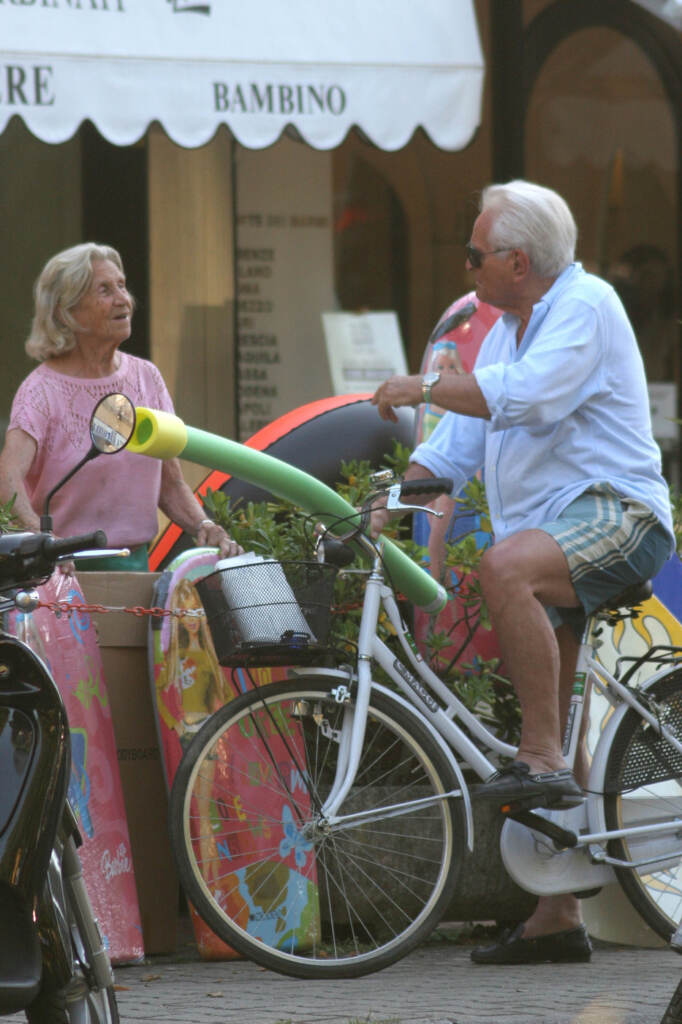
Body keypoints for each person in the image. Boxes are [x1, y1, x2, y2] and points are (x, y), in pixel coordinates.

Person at [371, 180, 675, 964]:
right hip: (561, 533)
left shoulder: (586, 305)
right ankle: (557, 916)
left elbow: (530, 400)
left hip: (619, 514)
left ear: (516, 259)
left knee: (505, 571)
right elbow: (461, 443)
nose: (466, 267)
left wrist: (422, 385)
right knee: (559, 722)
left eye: (474, 255)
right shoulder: (506, 328)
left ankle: (537, 761)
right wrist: (399, 496)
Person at [0, 242, 241, 568]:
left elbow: (170, 484)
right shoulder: (41, 391)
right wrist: (39, 540)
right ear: (65, 312)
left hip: (134, 567)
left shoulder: (147, 379)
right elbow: (7, 479)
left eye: (122, 286)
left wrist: (205, 526)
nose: (123, 300)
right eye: (104, 290)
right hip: (61, 573)